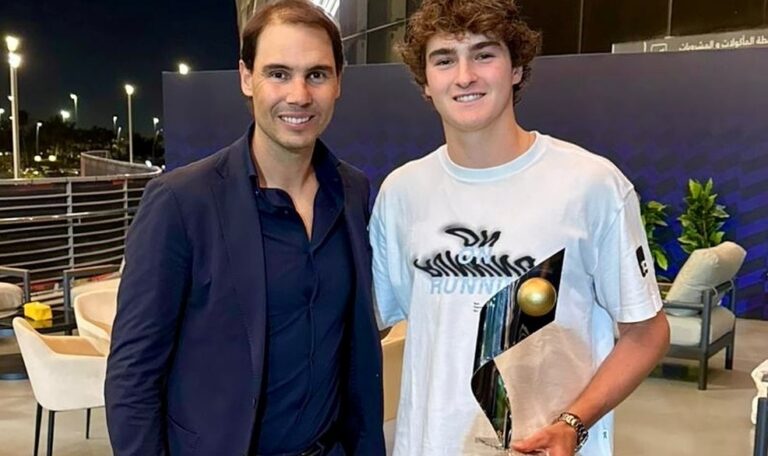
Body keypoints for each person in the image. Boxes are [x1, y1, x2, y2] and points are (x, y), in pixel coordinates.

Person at [370, 0, 670, 455]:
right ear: (425, 83)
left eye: (484, 54)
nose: (465, 75)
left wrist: (573, 423)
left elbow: (647, 333)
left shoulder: (591, 185)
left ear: (516, 69)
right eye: (444, 59)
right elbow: (365, 324)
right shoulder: (401, 193)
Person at [105, 1, 385, 455]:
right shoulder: (181, 202)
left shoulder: (353, 191)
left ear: (338, 84)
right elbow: (133, 376)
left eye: (316, 74)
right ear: (245, 77)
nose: (299, 94)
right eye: (278, 73)